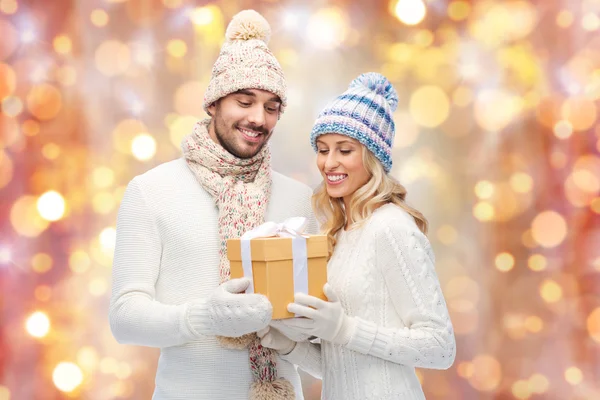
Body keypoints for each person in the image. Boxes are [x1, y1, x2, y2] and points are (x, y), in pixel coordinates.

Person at [109, 10, 317, 400]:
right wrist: (206, 317)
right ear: (214, 103)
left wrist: (317, 324)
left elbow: (317, 341)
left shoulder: (298, 200)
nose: (259, 118)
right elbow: (124, 319)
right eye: (244, 101)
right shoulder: (151, 190)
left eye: (272, 107)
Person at [258, 72, 456, 399]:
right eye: (322, 149)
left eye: (344, 150)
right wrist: (288, 344)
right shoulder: (339, 233)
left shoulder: (391, 227)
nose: (329, 162)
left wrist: (344, 328)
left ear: (371, 156)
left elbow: (439, 347)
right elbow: (342, 362)